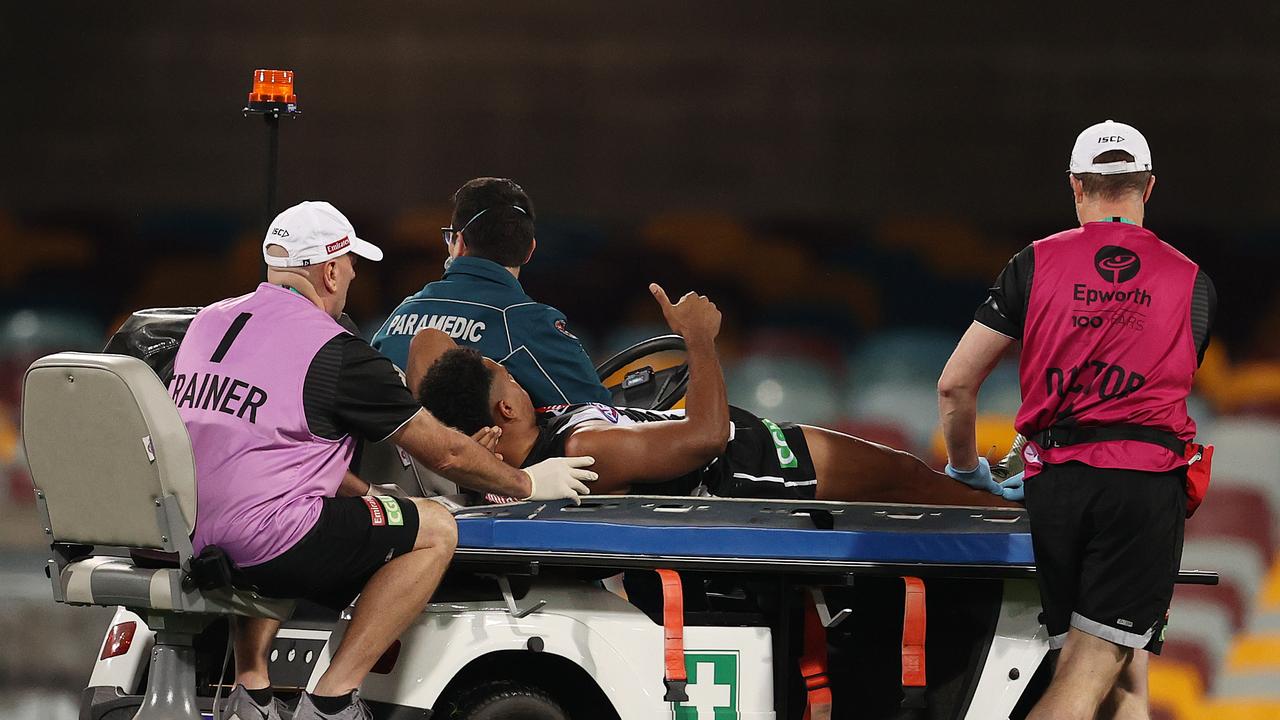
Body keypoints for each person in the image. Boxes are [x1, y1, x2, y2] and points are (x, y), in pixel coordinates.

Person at [171, 201, 597, 720]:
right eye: (351, 263)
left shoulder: (205, 322)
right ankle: (331, 701)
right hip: (267, 542)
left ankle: (250, 688)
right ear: (329, 269)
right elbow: (445, 450)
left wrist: (367, 496)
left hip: (190, 531)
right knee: (437, 527)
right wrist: (527, 481)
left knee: (294, 502)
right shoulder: (336, 351)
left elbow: (265, 451)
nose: (353, 274)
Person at [936, 121, 1215, 720]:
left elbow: (955, 384)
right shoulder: (1193, 282)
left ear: (1076, 185)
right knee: (1086, 678)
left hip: (1056, 486)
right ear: (1149, 186)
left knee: (1121, 676)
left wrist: (965, 468)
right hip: (1142, 485)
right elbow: (1171, 376)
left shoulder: (1033, 263)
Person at [410, 283, 1018, 508]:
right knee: (925, 489)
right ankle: (1042, 530)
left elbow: (428, 346)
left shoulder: (520, 447)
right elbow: (705, 437)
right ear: (507, 407)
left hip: (750, 454)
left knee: (929, 488)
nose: (516, 372)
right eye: (506, 374)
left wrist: (468, 448)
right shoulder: (584, 449)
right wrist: (699, 341)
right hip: (759, 465)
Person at [371, 177, 611, 407]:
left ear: (460, 243)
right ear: (529, 250)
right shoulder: (531, 324)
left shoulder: (398, 316)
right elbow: (602, 420)